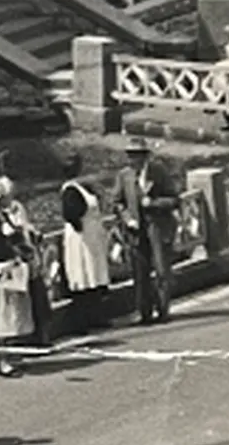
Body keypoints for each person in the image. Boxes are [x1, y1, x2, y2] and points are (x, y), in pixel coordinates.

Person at [0, 175, 47, 377]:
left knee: (13, 317)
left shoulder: (4, 215)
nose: (11, 199)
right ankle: (3, 360)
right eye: (8, 195)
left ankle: (15, 355)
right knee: (1, 319)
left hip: (11, 272)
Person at [114, 137, 183, 324]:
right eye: (130, 155)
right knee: (140, 272)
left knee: (161, 269)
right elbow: (118, 203)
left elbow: (174, 199)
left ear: (145, 157)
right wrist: (127, 218)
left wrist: (154, 203)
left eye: (137, 155)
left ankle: (163, 309)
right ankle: (144, 312)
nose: (133, 160)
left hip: (158, 227)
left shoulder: (158, 172)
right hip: (137, 230)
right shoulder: (124, 176)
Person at [55, 154, 113, 308]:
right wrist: (81, 225)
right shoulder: (70, 190)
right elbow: (70, 214)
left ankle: (97, 312)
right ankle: (85, 315)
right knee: (83, 274)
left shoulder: (82, 187)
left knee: (94, 273)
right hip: (81, 238)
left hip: (92, 236)